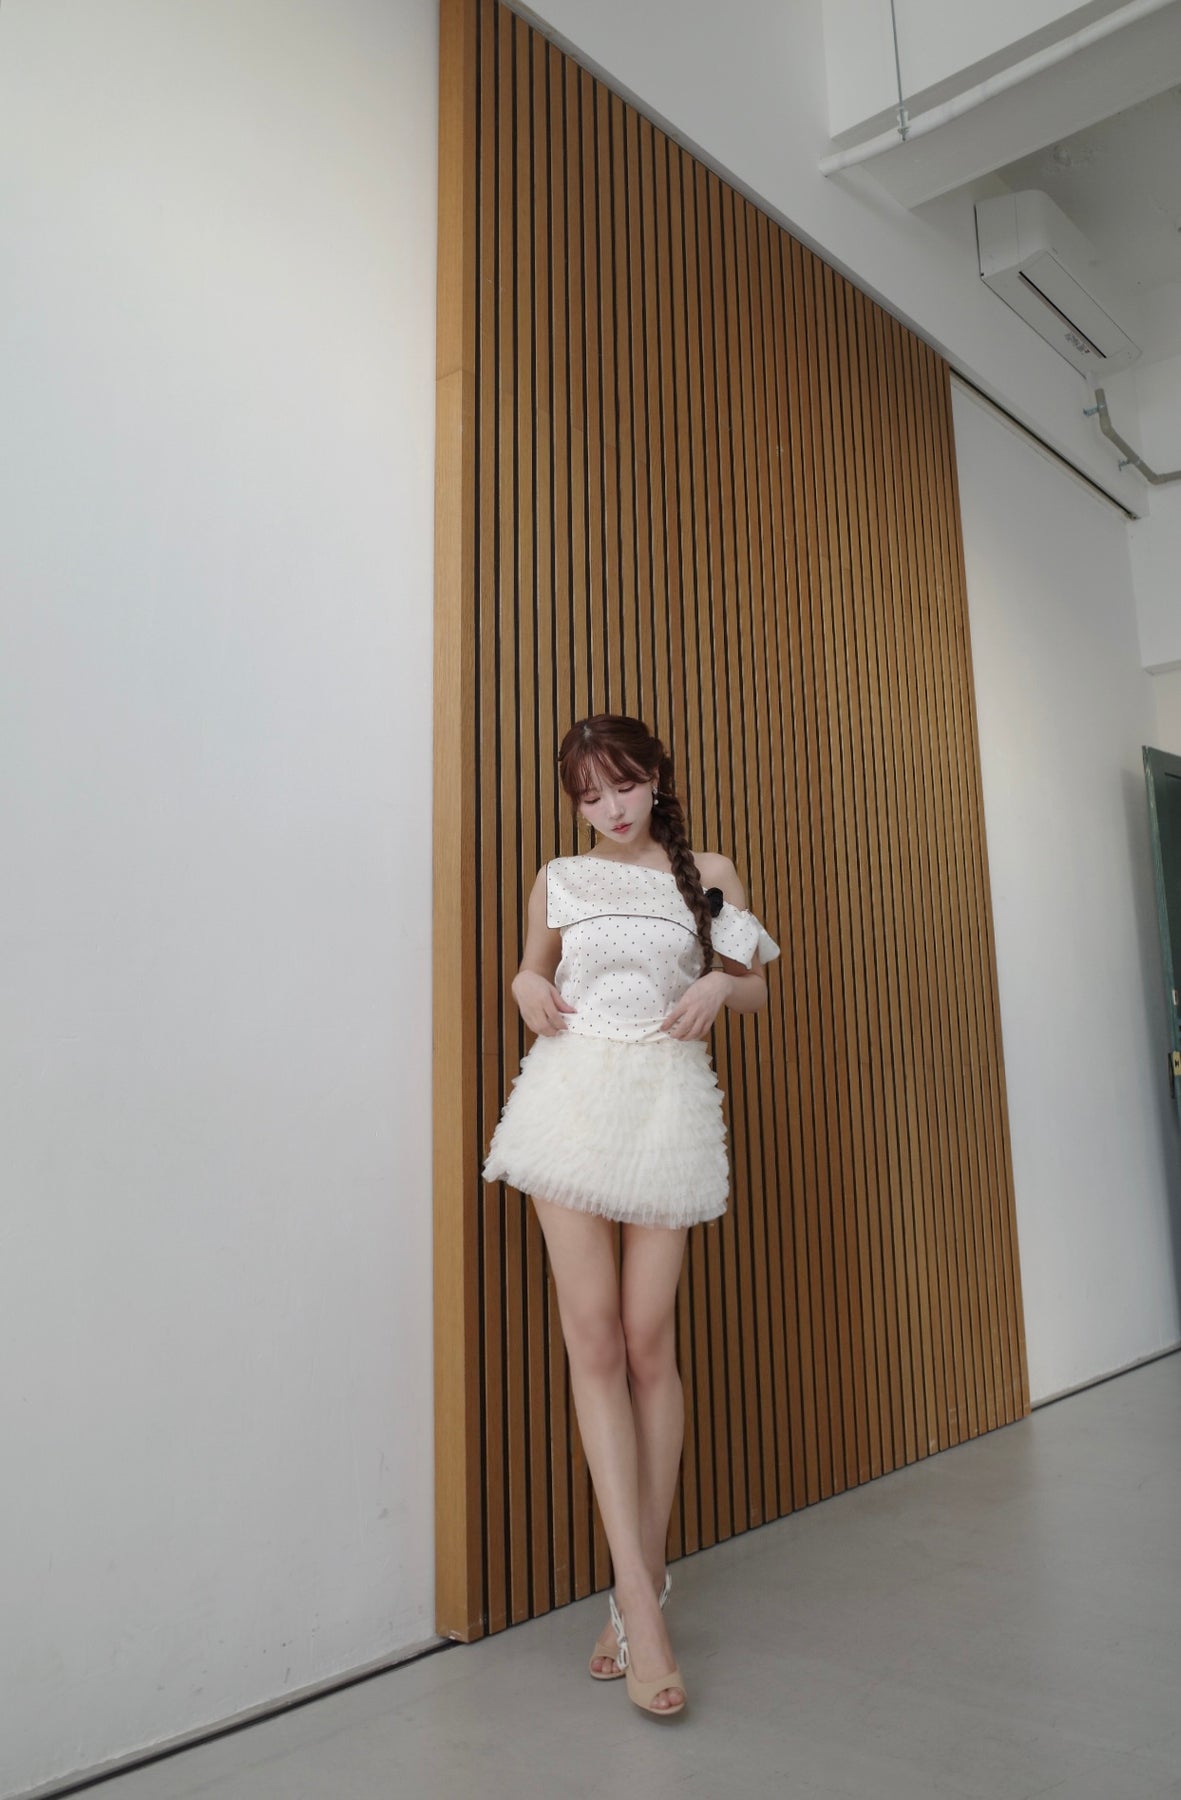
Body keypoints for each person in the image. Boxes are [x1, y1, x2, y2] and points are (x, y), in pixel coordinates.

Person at [482, 714, 779, 1719]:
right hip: (568, 1102)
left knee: (650, 1343)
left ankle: (636, 1589)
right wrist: (524, 981)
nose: (608, 809)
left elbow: (754, 990)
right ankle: (642, 1615)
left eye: (622, 786)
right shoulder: (558, 877)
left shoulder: (710, 873)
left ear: (655, 776)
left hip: (665, 1104)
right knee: (596, 1343)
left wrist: (716, 986)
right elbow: (531, 970)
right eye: (588, 796)